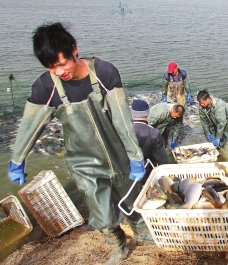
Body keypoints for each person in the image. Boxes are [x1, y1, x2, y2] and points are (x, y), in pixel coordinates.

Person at [7, 22, 146, 265]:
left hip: (117, 152)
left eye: (61, 64)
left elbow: (123, 118)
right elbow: (30, 125)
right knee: (101, 213)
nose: (59, 72)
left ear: (74, 49)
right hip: (83, 160)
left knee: (133, 198)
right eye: (51, 67)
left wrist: (134, 154)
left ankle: (145, 234)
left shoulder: (103, 72)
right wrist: (18, 160)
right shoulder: (45, 87)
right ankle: (118, 247)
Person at [131, 99, 171, 166]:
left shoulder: (122, 129)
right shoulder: (155, 133)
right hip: (145, 165)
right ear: (147, 114)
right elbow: (163, 160)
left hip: (124, 167)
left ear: (131, 113)